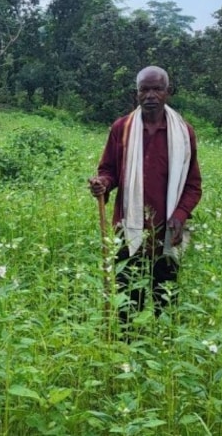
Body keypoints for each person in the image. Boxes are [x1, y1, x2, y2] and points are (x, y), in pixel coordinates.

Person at [88, 65, 202, 323]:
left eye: (157, 89)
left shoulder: (184, 133)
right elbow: (109, 170)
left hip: (167, 234)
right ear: (136, 93)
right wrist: (103, 184)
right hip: (127, 231)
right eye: (144, 89)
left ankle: (164, 351)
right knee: (128, 301)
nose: (151, 95)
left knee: (166, 301)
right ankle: (127, 353)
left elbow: (193, 185)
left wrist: (181, 215)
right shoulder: (122, 129)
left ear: (168, 92)